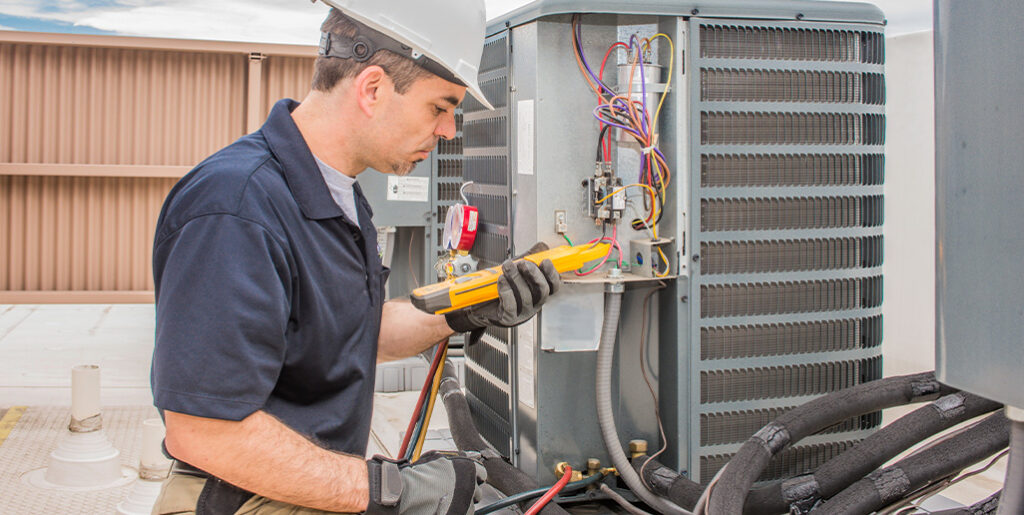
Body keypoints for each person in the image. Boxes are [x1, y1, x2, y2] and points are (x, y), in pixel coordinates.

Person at [149, 1, 561, 513]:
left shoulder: (337, 195)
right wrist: (395, 490)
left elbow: (350, 336)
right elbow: (204, 432)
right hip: (241, 497)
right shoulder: (235, 207)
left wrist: (472, 307)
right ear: (372, 88)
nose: (449, 131)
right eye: (440, 107)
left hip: (298, 486)